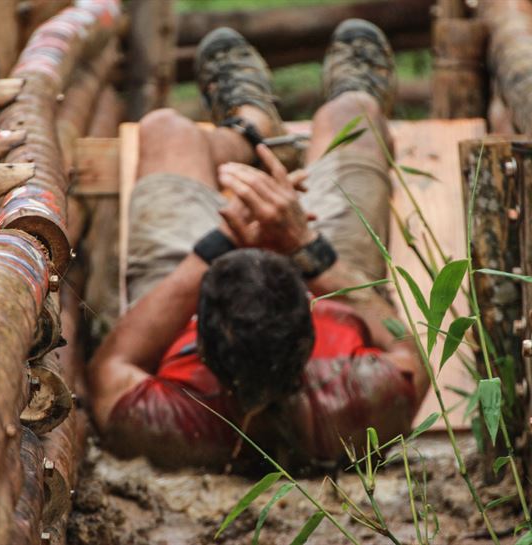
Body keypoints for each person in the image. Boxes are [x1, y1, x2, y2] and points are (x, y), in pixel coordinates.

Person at [87, 20, 429, 470]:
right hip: (320, 263)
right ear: (309, 336)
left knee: (168, 129)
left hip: (190, 284)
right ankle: (343, 101)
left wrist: (222, 242)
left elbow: (109, 367)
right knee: (350, 116)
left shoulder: (169, 421)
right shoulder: (359, 401)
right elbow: (413, 354)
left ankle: (249, 125)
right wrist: (305, 245)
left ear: (203, 347)